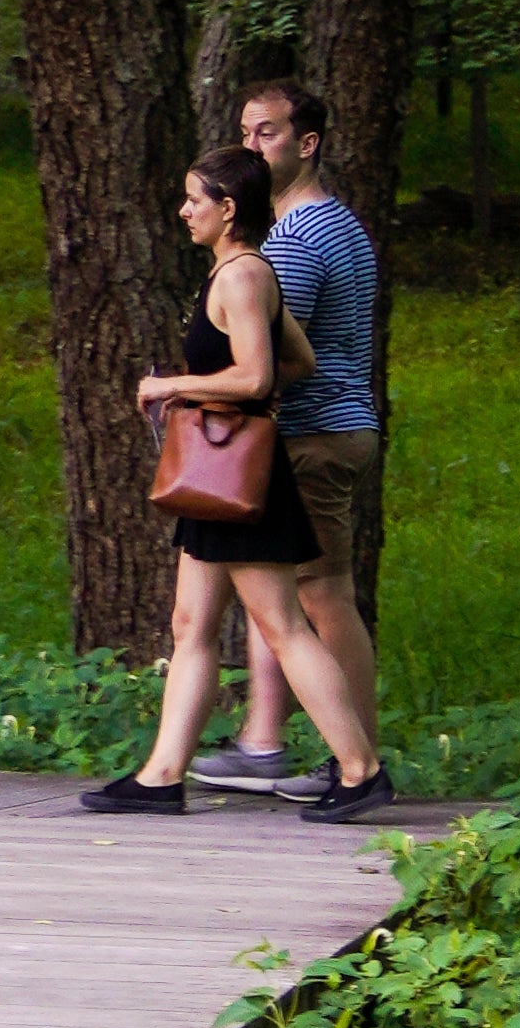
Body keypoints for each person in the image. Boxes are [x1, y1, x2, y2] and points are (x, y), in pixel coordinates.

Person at [79, 148, 392, 821]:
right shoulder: (237, 272)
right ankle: (162, 775)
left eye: (196, 199)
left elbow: (255, 376)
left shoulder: (243, 276)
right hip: (217, 474)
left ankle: (361, 769)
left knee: (283, 624)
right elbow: (297, 358)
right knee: (189, 623)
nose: (184, 210)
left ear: (229, 209)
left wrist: (174, 385)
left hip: (237, 474)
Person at [190, 77, 393, 803]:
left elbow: (269, 357)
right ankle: (262, 741)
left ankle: (357, 762)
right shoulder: (332, 221)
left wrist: (180, 387)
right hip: (330, 428)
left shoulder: (298, 239)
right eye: (244, 132)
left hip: (314, 432)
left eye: (266, 133)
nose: (250, 146)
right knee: (277, 594)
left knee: (324, 596)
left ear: (306, 144)